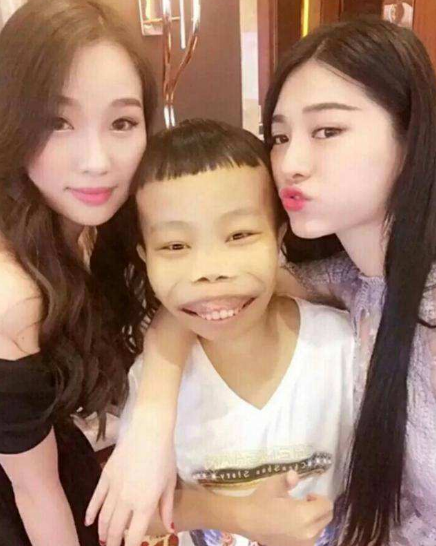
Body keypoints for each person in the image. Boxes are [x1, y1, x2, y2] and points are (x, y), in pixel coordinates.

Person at [120, 119, 355, 546]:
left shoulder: (343, 348)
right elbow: (139, 513)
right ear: (145, 256)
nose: (210, 271)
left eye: (240, 234)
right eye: (174, 246)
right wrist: (241, 516)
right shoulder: (153, 379)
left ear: (279, 238)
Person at [263, 17, 436, 546]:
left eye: (328, 131)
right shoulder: (351, 279)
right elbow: (213, 293)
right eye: (280, 137)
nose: (290, 164)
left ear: (410, 136)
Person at [0, 0, 157, 544]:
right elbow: (34, 492)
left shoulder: (91, 222)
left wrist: (153, 424)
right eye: (58, 122)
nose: (97, 161)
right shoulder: (14, 294)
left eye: (122, 122)